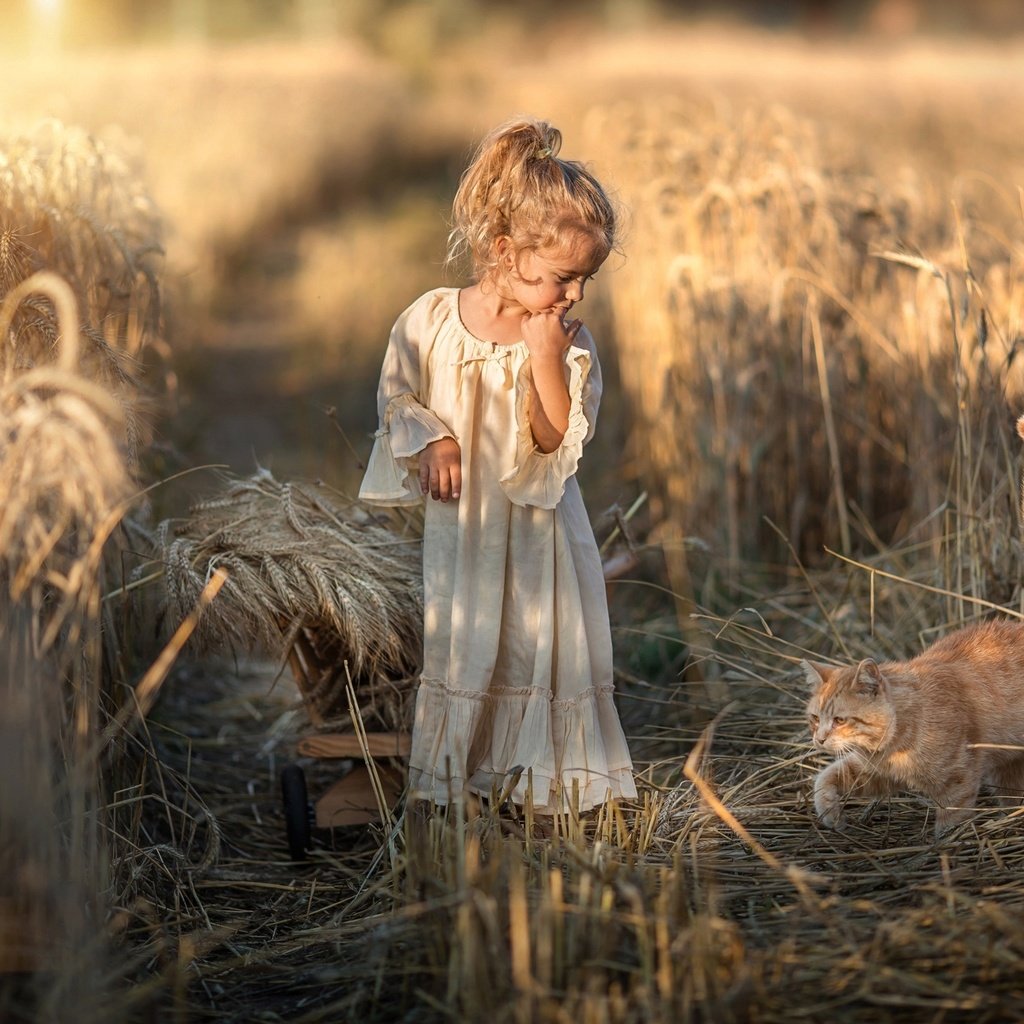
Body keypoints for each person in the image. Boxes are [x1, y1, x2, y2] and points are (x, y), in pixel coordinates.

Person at [358, 116, 637, 814]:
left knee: (537, 645)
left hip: (541, 535)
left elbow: (552, 441)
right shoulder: (429, 321)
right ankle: (461, 781)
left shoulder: (570, 348)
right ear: (505, 251)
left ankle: (544, 790)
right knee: (469, 639)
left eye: (585, 281)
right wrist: (431, 439)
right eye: (561, 278)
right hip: (464, 532)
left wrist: (544, 358)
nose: (573, 296)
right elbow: (398, 395)